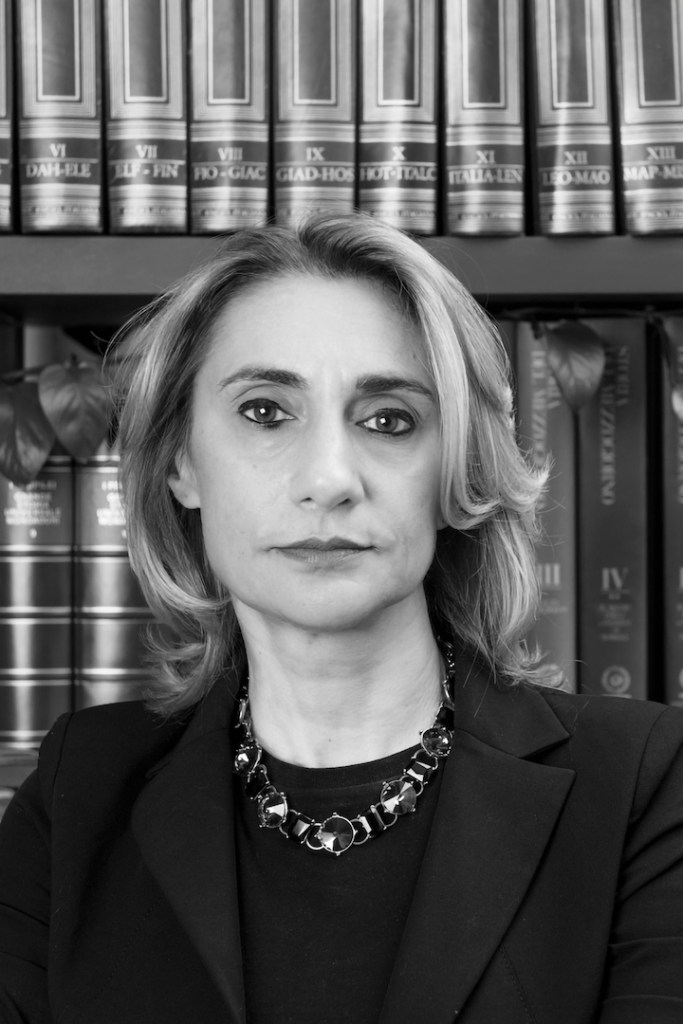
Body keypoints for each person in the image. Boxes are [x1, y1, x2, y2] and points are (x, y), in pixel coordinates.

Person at [0, 213, 682, 1024]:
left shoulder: (643, 783)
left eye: (389, 419)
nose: (328, 479)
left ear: (456, 471)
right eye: (264, 411)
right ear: (180, 460)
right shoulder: (79, 786)